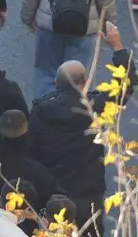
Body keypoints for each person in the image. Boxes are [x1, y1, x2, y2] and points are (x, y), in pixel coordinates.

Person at [29, 23, 131, 224]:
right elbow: (124, 84)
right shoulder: (95, 108)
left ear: (57, 82)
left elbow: (32, 151)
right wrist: (117, 47)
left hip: (54, 195)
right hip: (88, 193)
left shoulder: (40, 111)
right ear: (84, 82)